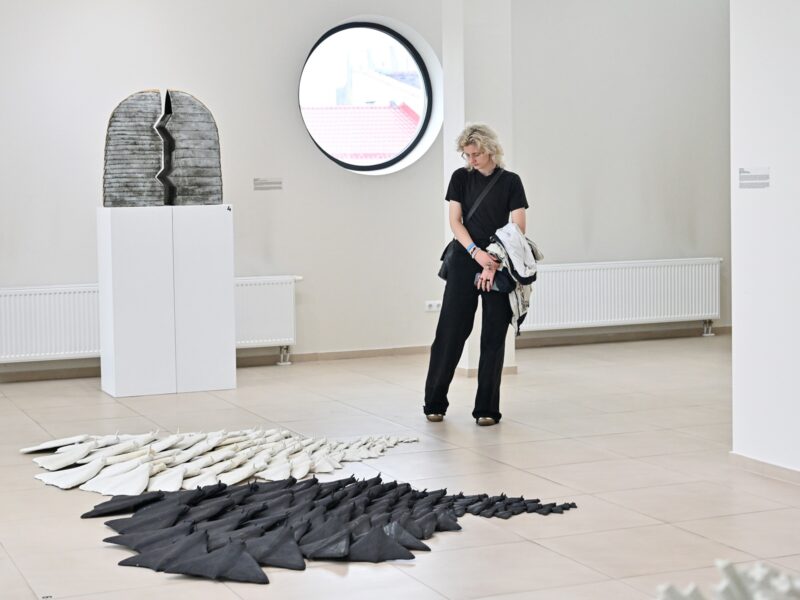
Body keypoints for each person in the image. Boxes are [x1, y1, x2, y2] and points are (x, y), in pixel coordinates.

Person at [423, 124, 529, 426]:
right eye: (467, 155)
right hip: (465, 258)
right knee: (450, 332)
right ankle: (434, 403)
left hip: (498, 261)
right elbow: (455, 222)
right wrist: (476, 254)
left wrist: (492, 260)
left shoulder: (511, 181)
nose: (471, 160)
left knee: (494, 336)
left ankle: (487, 409)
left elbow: (518, 227)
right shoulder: (460, 178)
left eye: (476, 154)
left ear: (491, 150)